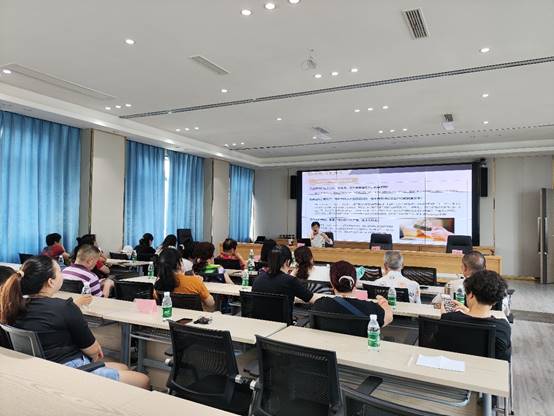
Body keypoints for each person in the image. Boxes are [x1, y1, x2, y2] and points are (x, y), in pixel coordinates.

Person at [0, 256, 149, 388]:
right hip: (69, 372)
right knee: (143, 380)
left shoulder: (12, 306)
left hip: (42, 368)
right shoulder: (64, 307)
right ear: (51, 282)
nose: (63, 274)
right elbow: (95, 352)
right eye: (60, 271)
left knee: (123, 367)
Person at [439, 270, 511, 361]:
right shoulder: (502, 327)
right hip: (485, 368)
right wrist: (468, 311)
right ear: (495, 301)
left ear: (471, 295)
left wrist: (444, 316)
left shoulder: (449, 319)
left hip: (454, 366)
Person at [312, 261, 393, 327]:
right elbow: (389, 317)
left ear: (332, 284)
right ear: (355, 282)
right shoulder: (370, 308)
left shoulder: (319, 305)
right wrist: (383, 301)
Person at [252, 245, 316, 316]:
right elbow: (313, 299)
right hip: (283, 322)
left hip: (259, 322)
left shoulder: (258, 279)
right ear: (287, 262)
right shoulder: (290, 281)